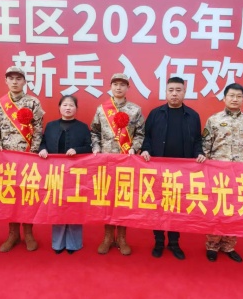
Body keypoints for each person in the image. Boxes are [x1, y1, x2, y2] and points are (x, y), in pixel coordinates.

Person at [141, 77, 206, 260]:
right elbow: (147, 137)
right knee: (158, 206)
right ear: (166, 92)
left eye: (178, 90)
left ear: (184, 92)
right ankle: (159, 241)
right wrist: (145, 149)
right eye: (171, 90)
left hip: (182, 172)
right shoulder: (155, 114)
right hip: (158, 170)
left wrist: (199, 153)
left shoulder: (192, 116)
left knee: (178, 206)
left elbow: (197, 140)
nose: (174, 94)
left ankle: (174, 242)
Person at [0, 66, 44, 252]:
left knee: (27, 195)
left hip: (28, 157)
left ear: (24, 81)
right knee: (10, 195)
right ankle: (13, 233)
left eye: (18, 78)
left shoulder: (33, 102)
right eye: (11, 78)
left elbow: (38, 129)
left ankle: (28, 232)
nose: (14, 82)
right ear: (6, 81)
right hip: (6, 159)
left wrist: (33, 152)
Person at [202, 83, 243, 263]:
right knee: (217, 209)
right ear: (225, 98)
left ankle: (228, 245)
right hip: (218, 174)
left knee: (236, 210)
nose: (235, 99)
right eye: (231, 96)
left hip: (242, 175)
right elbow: (205, 147)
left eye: (238, 96)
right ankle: (212, 245)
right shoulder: (214, 120)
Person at [91, 73, 145, 255]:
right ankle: (107, 237)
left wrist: (134, 148)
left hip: (126, 162)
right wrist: (96, 148)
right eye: (115, 84)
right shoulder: (101, 109)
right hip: (105, 162)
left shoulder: (135, 110)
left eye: (122, 84)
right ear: (110, 86)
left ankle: (121, 238)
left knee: (123, 200)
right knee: (107, 199)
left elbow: (140, 133)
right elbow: (94, 131)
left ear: (128, 87)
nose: (119, 87)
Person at [38, 95, 92, 254]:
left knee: (74, 208)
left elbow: (89, 147)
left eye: (71, 105)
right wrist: (42, 149)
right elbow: (42, 142)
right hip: (55, 173)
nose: (68, 108)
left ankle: (73, 244)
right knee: (57, 207)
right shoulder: (50, 126)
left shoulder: (83, 127)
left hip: (75, 174)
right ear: (59, 107)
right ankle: (58, 243)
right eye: (65, 105)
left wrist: (77, 150)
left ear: (76, 108)